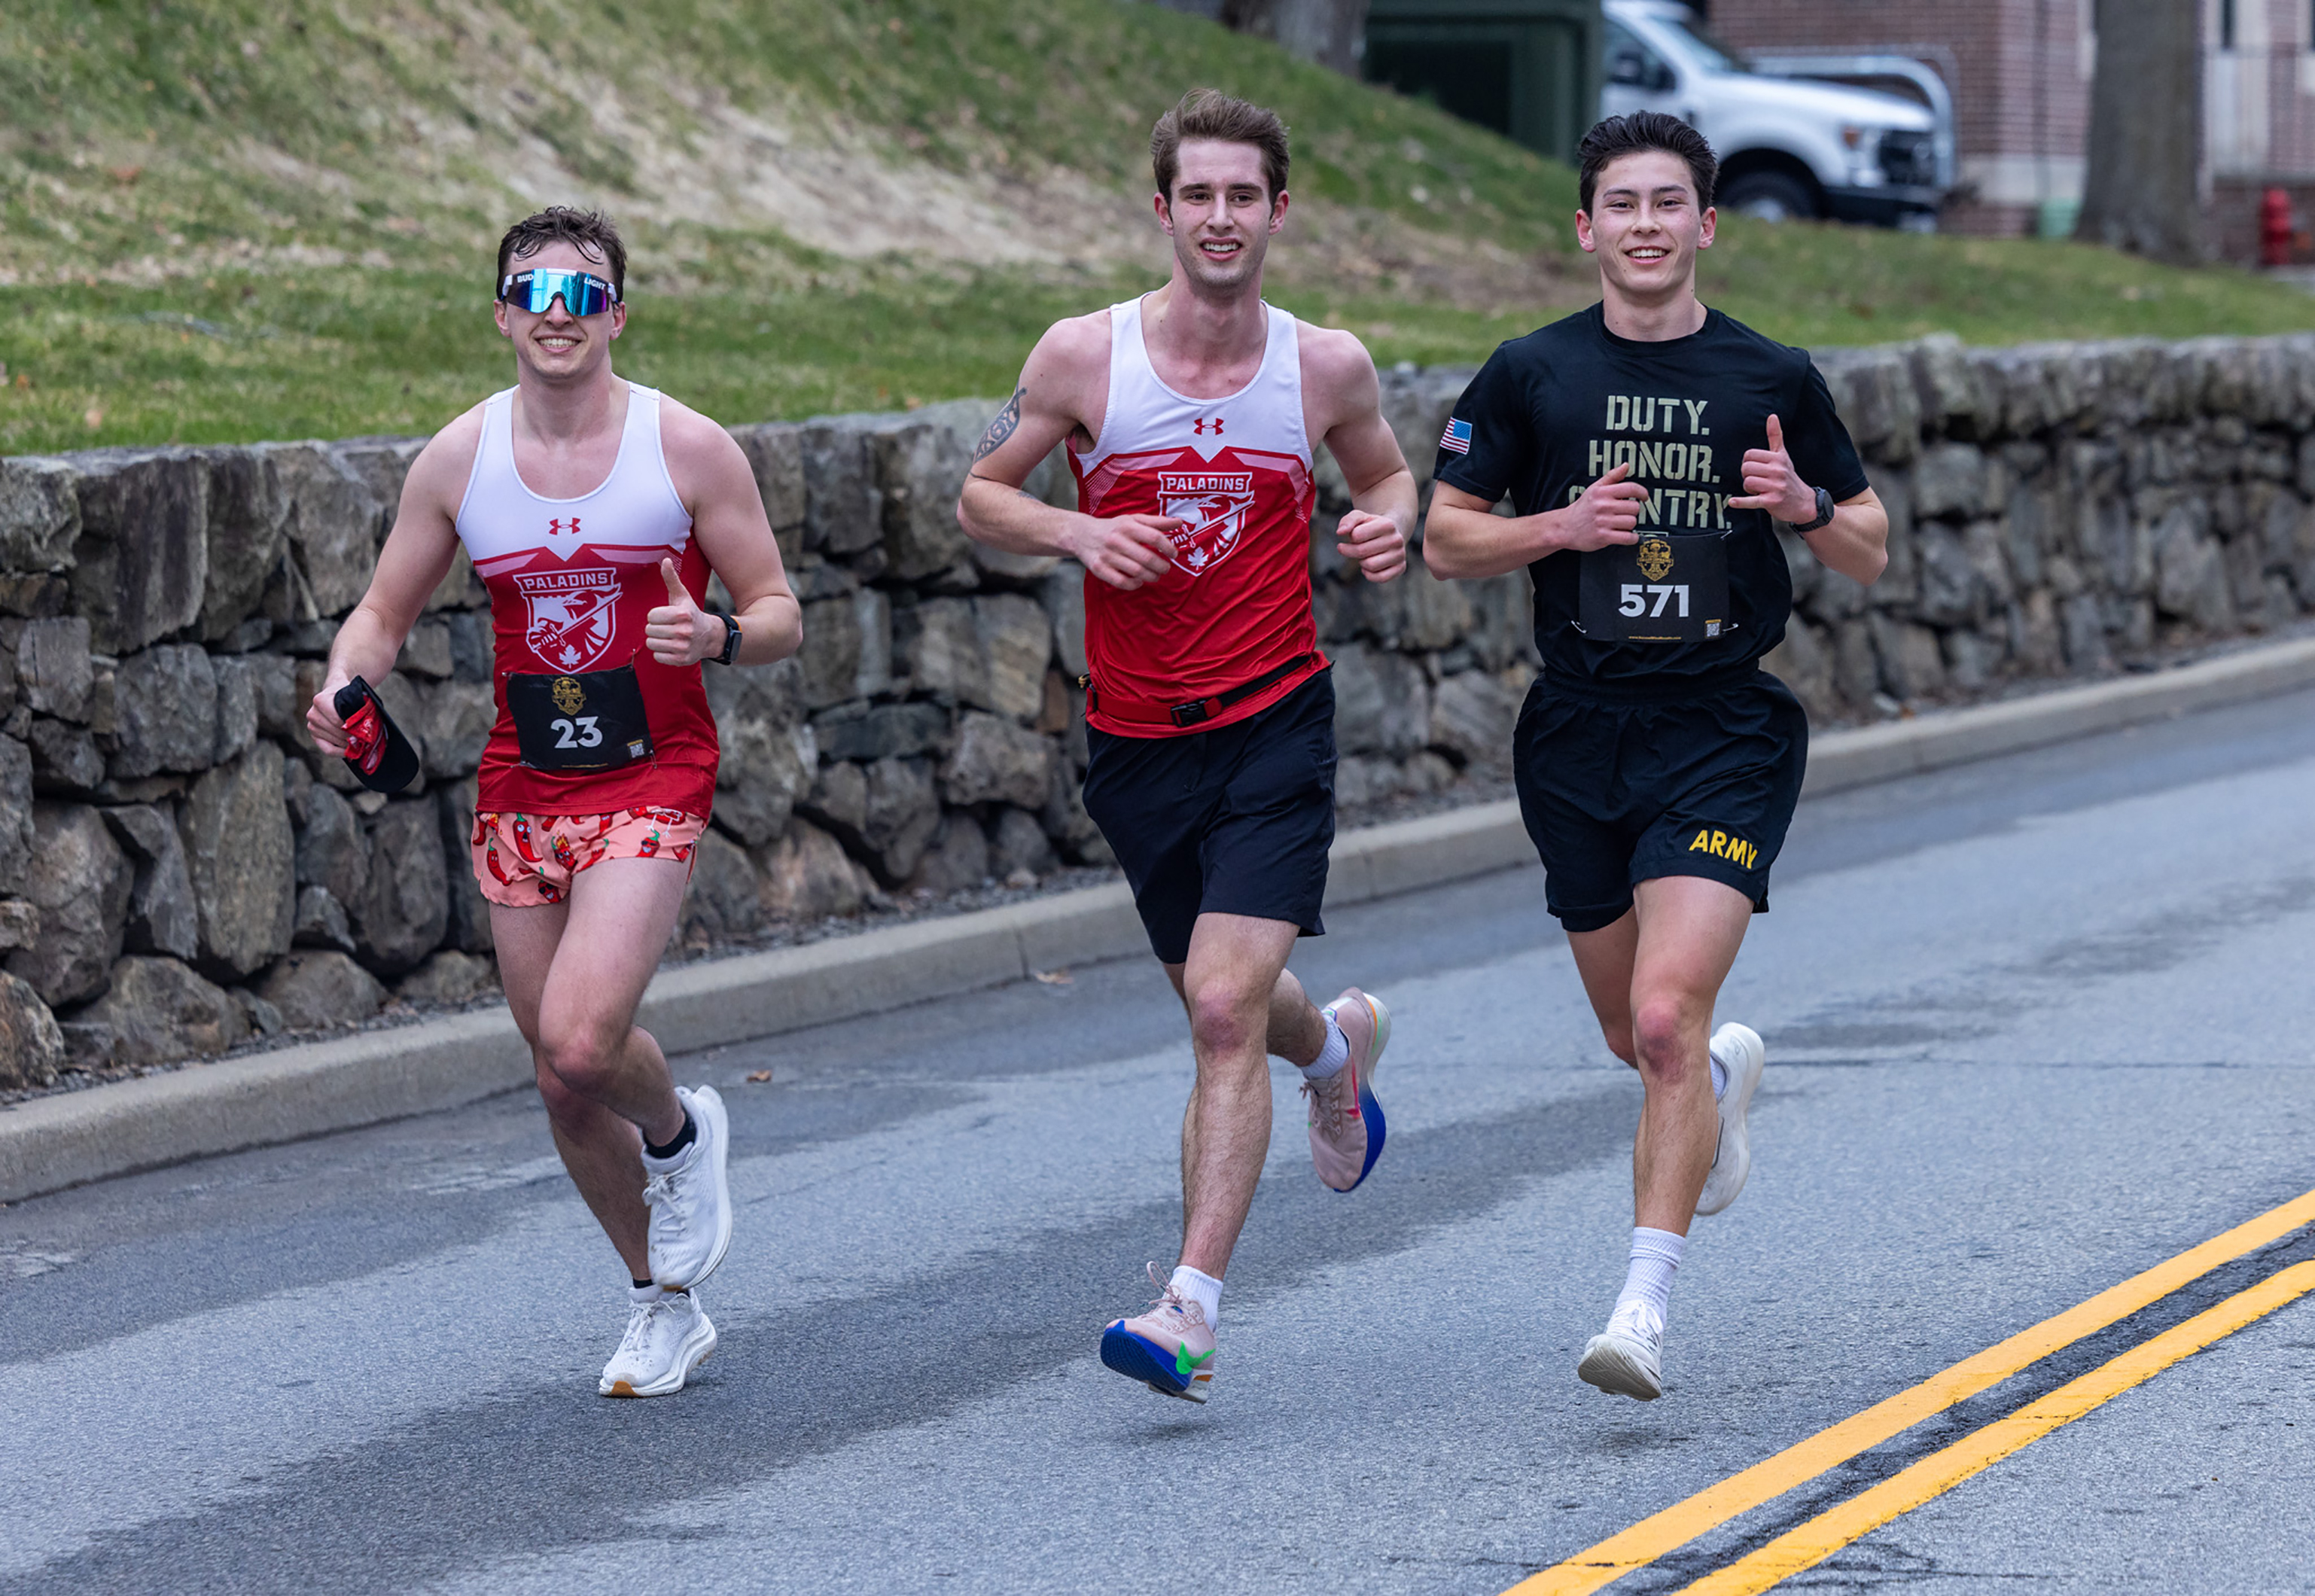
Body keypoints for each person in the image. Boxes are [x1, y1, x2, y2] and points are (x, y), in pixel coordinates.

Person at [956, 89, 1418, 1404]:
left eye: (1244, 195)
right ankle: (1333, 1054)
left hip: (1275, 721)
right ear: (1163, 210)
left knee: (1221, 1010)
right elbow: (981, 495)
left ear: (1280, 210)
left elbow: (1387, 476)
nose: (1222, 217)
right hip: (1137, 740)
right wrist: (1081, 532)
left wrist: (1387, 523)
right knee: (1230, 1005)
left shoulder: (1323, 366)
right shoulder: (1082, 358)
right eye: (1199, 195)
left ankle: (1188, 1307)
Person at [1422, 113, 1888, 1400]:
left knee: (1669, 1014)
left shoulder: (1770, 374)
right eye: (1621, 204)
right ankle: (1721, 1081)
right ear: (1587, 228)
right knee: (1639, 1037)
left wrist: (1806, 506)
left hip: (1723, 728)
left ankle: (1641, 1312)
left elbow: (1868, 543)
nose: (1645, 225)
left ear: (1706, 225)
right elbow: (1445, 538)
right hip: (1577, 732)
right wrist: (1561, 527)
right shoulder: (1530, 373)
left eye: (1668, 203)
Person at [306, 207, 802, 1399]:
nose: (557, 313)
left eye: (583, 294)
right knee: (560, 1075)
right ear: (502, 316)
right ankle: (660, 1305)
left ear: (616, 315)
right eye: (534, 292)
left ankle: (681, 1135)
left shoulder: (687, 449)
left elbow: (780, 612)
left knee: (585, 1036)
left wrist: (719, 636)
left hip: (653, 772)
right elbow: (382, 614)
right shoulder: (459, 460)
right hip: (524, 782)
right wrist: (343, 684)